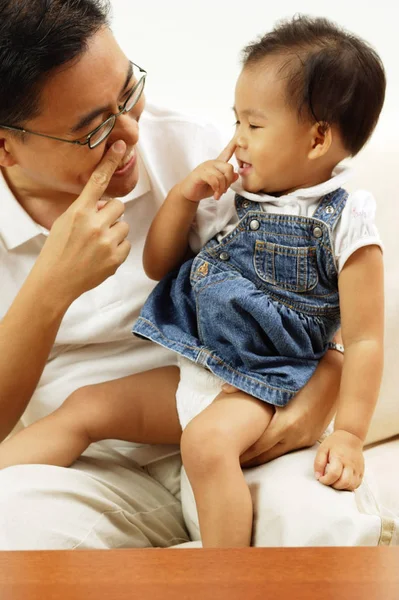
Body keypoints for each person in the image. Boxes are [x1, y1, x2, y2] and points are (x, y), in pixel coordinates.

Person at [0, 8, 386, 548]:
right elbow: (162, 264)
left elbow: (345, 319)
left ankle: (220, 577)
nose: (132, 132)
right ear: (5, 145)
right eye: (94, 130)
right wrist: (50, 285)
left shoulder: (216, 158)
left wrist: (328, 402)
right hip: (95, 465)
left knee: (322, 529)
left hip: (246, 410)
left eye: (129, 91)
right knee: (14, 523)